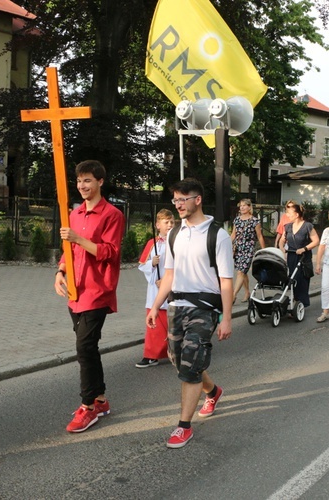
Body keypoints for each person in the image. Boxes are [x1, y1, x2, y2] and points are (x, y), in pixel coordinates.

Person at [146, 178, 234, 449]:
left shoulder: (217, 234)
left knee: (190, 364)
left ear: (198, 199)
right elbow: (169, 274)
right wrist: (155, 306)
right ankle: (212, 391)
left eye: (183, 199)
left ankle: (184, 426)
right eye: (175, 200)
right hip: (176, 307)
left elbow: (226, 280)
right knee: (180, 360)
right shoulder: (174, 234)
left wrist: (227, 317)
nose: (178, 205)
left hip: (205, 307)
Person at [54, 160, 124, 433]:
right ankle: (101, 400)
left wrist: (78, 239)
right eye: (80, 181)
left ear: (100, 182)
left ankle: (88, 407)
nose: (83, 186)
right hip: (75, 289)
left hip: (98, 290)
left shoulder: (112, 214)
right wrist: (60, 271)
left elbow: (110, 252)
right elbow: (67, 250)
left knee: (84, 347)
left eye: (88, 181)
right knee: (89, 349)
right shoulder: (75, 213)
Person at [136, 209, 174, 368]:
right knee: (155, 322)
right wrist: (152, 264)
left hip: (173, 286)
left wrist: (166, 281)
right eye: (166, 222)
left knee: (173, 321)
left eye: (172, 222)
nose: (170, 225)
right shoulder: (152, 244)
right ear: (158, 225)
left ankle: (175, 351)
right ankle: (151, 354)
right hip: (155, 289)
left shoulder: (177, 242)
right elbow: (142, 265)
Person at [279, 200, 320, 309]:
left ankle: (301, 303)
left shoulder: (308, 226)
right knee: (292, 279)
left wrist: (304, 248)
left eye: (289, 213)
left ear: (296, 215)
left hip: (303, 257)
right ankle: (294, 301)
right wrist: (281, 247)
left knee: (302, 281)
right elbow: (282, 239)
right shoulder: (287, 226)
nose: (287, 215)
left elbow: (316, 241)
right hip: (291, 256)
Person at [231, 199, 265, 303]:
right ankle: (247, 293)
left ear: (249, 207)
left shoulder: (255, 221)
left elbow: (259, 236)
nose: (242, 207)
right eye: (240, 206)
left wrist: (264, 251)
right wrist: (226, 245)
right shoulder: (237, 220)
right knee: (242, 272)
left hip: (249, 248)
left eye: (244, 206)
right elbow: (233, 234)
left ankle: (233, 295)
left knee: (241, 272)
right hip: (238, 248)